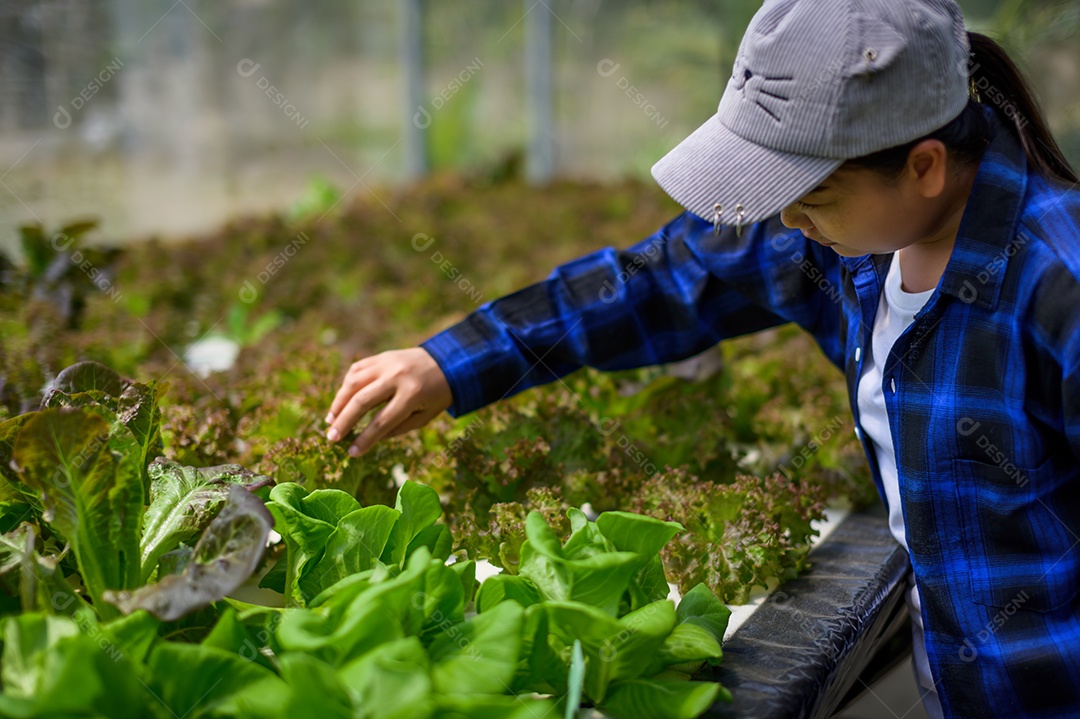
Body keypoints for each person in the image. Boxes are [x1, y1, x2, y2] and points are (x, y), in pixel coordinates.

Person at [325, 0, 1080, 716]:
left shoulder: (1056, 281)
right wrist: (451, 361)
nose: (786, 219)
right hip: (953, 674)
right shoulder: (850, 245)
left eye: (810, 194)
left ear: (923, 167)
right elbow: (654, 281)